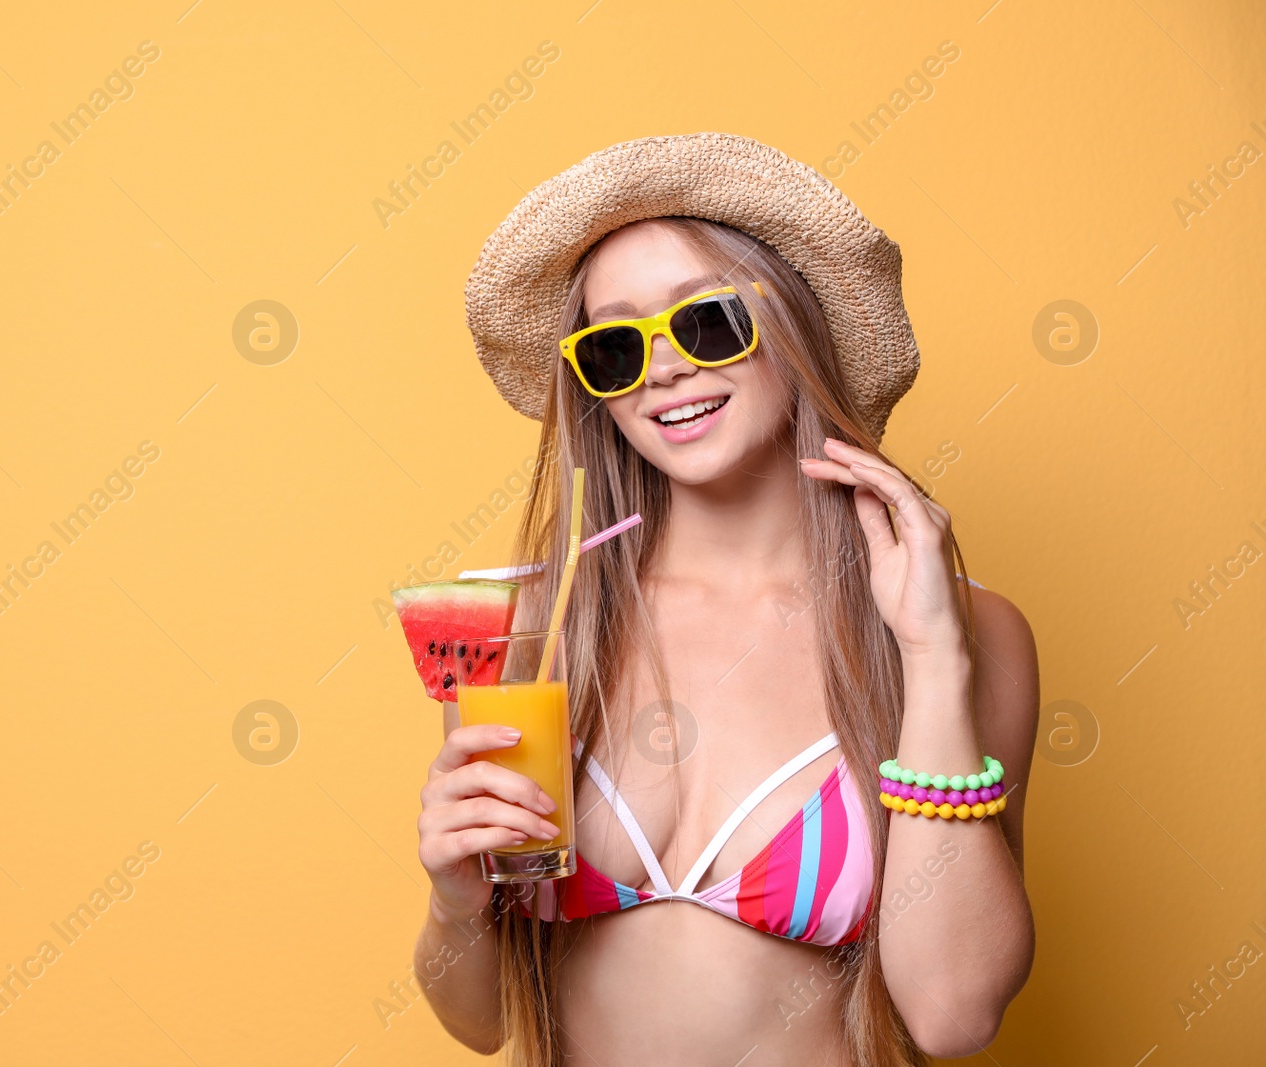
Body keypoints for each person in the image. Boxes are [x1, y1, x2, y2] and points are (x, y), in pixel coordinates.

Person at [412, 134, 1039, 1067]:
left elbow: (955, 1015)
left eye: (706, 323)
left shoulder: (962, 630)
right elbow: (480, 1019)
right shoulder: (544, 624)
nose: (661, 369)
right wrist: (454, 896)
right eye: (616, 345)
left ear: (795, 326)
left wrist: (933, 660)